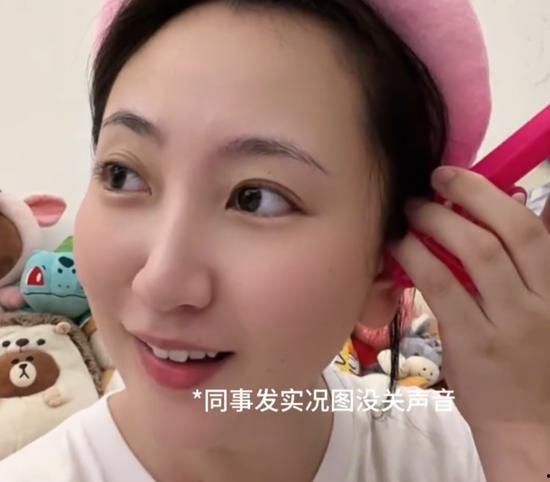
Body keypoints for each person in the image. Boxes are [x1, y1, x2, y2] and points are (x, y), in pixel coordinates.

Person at [1, 0, 549, 480]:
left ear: (386, 266)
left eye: (256, 198)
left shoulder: (471, 456)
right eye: (122, 175)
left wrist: (523, 442)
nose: (160, 281)